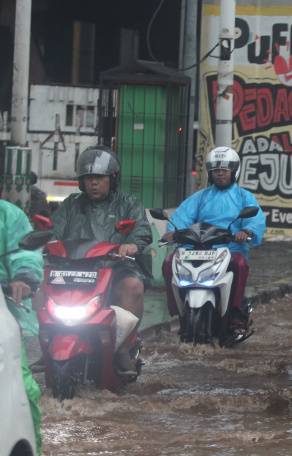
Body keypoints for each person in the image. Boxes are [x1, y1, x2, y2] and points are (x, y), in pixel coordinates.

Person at [42, 145, 153, 376]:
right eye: (89, 178)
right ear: (82, 181)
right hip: (75, 270)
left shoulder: (128, 204)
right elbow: (54, 230)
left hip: (116, 269)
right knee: (40, 282)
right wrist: (46, 241)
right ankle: (47, 344)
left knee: (133, 286)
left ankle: (123, 348)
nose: (94, 183)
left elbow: (141, 231)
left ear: (112, 179)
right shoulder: (71, 204)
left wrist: (131, 244)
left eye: (100, 178)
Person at [161, 147, 266, 339]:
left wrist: (246, 231)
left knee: (239, 264)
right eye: (215, 169)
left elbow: (256, 219)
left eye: (225, 169)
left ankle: (236, 318)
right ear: (210, 172)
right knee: (169, 262)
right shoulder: (199, 197)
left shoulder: (244, 197)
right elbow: (182, 217)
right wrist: (172, 232)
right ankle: (178, 311)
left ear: (234, 171)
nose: (220, 172)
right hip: (196, 248)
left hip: (229, 250)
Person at [0, 199, 61, 456]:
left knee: (24, 390)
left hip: (4, 314)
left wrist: (23, 277)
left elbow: (25, 254)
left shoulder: (9, 215)